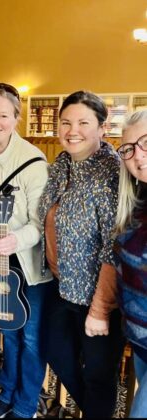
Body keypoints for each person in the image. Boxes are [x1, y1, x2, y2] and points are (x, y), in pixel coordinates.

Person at [0, 83, 54, 419]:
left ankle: (25, 404)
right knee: (8, 332)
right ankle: (7, 393)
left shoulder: (33, 161)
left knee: (30, 338)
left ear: (16, 118)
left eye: (3, 115)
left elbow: (40, 222)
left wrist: (16, 239)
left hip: (28, 266)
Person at [38, 91, 126, 417]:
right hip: (63, 287)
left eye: (83, 123)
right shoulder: (62, 165)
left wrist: (101, 309)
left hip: (99, 296)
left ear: (102, 128)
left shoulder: (110, 173)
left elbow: (113, 246)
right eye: (66, 122)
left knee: (99, 376)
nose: (72, 130)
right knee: (56, 351)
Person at [114, 110, 147, 418]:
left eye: (145, 142)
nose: (138, 156)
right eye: (128, 148)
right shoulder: (135, 201)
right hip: (138, 337)